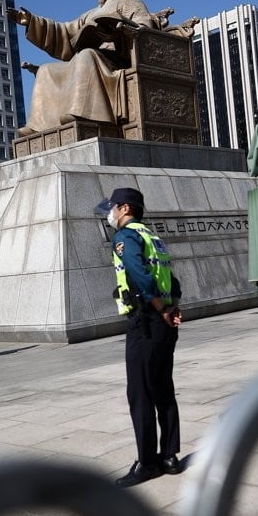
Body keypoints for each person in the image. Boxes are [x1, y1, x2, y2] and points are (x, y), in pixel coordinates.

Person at [7, 0, 157, 136]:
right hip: (91, 60)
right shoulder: (90, 14)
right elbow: (64, 31)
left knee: (86, 55)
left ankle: (84, 114)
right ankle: (39, 125)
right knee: (47, 70)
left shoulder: (130, 2)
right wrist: (32, 22)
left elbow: (145, 28)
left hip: (117, 60)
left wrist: (121, 29)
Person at [96, 187, 183, 487]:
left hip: (146, 322)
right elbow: (172, 280)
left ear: (125, 209)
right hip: (163, 323)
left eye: (113, 208)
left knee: (141, 394)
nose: (110, 213)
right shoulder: (152, 236)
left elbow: (139, 273)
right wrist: (172, 308)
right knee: (163, 388)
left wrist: (160, 309)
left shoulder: (125, 238)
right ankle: (170, 456)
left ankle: (148, 463)